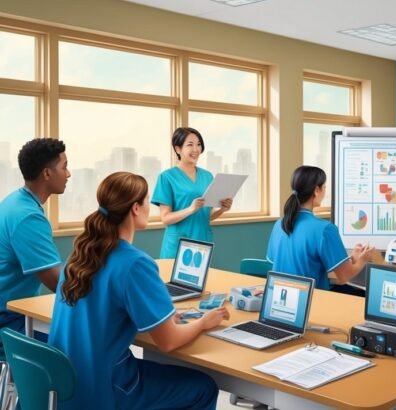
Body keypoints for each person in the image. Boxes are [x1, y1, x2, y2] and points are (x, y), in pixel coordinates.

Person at [49, 172, 229, 410]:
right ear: (135, 208)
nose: (149, 208)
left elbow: (104, 310)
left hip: (67, 386)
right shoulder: (135, 263)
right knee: (203, 387)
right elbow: (168, 342)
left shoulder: (79, 255)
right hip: (105, 389)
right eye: (146, 202)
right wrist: (204, 322)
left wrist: (160, 318)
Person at [267, 166, 375, 295]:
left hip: (281, 299)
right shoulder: (325, 229)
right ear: (316, 190)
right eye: (324, 187)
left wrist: (352, 259)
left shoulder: (280, 224)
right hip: (312, 303)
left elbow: (299, 263)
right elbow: (344, 276)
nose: (325, 192)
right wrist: (363, 259)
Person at [0, 138, 68, 337]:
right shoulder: (27, 217)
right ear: (47, 173)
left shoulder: (14, 201)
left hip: (12, 313)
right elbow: (59, 284)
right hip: (9, 320)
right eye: (64, 167)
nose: (68, 174)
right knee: (83, 341)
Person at [152, 127, 232, 258]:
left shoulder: (207, 176)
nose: (196, 149)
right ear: (178, 149)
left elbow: (207, 215)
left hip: (202, 242)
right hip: (178, 244)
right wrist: (190, 209)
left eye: (199, 145)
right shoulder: (166, 177)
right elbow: (165, 218)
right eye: (190, 145)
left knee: (203, 278)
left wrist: (222, 209)